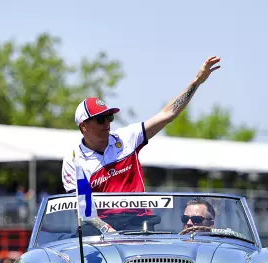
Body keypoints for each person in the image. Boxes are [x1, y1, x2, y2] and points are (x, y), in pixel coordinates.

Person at [61, 56, 221, 194]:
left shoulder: (127, 137)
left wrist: (197, 82)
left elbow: (167, 114)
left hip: (140, 224)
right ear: (84, 126)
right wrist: (106, 229)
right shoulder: (73, 161)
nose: (108, 122)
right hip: (101, 229)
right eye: (101, 119)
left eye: (110, 117)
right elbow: (81, 209)